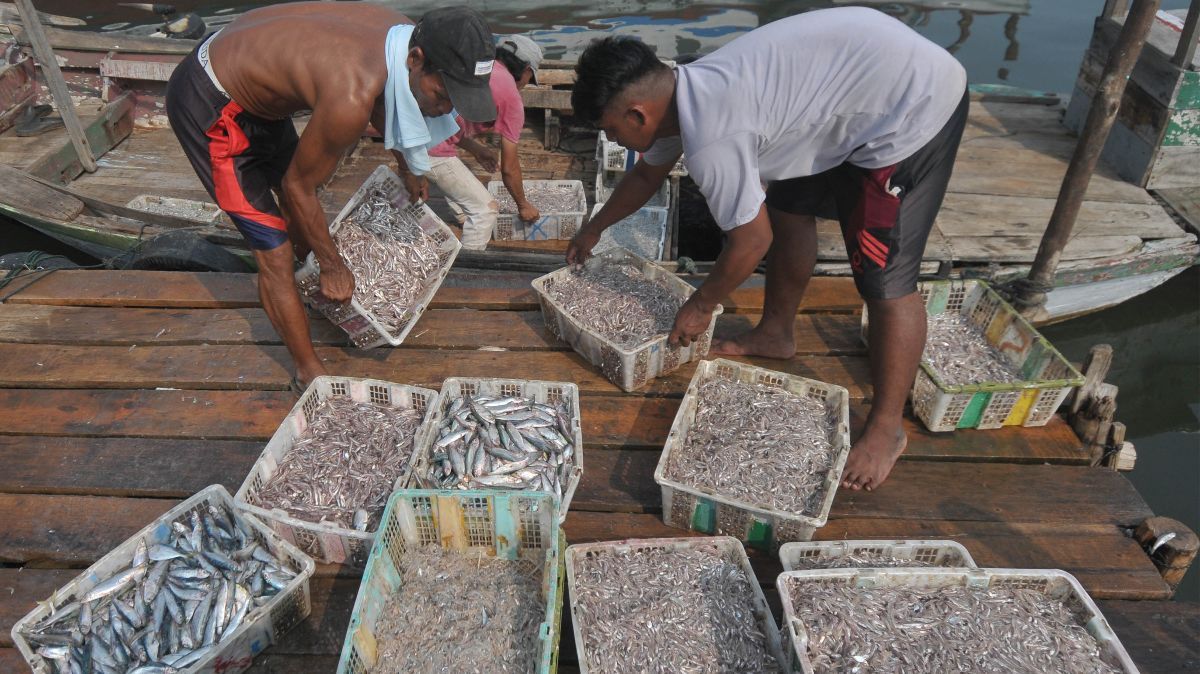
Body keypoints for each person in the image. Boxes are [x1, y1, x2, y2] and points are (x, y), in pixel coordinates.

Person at [566, 7, 968, 492]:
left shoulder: (713, 135)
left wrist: (700, 304)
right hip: (852, 85)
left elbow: (751, 242)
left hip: (911, 104)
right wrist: (595, 227)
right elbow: (648, 173)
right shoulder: (682, 91)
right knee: (786, 206)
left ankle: (887, 428)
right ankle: (776, 334)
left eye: (611, 131)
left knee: (883, 278)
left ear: (637, 114)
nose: (613, 140)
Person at [165, 3, 496, 390]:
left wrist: (408, 166)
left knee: (299, 205)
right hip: (209, 102)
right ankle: (308, 370)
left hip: (255, 87)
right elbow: (297, 186)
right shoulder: (350, 96)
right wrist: (333, 265)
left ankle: (310, 293)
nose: (446, 108)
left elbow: (387, 100)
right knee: (273, 247)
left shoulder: (409, 34)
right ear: (416, 59)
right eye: (442, 94)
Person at [427, 34, 544, 249]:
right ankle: (467, 270)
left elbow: (450, 120)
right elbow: (509, 168)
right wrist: (523, 205)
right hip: (428, 147)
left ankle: (462, 215)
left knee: (456, 174)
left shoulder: (478, 67)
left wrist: (476, 149)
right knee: (485, 210)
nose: (526, 84)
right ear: (526, 70)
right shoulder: (511, 98)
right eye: (530, 78)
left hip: (413, 131)